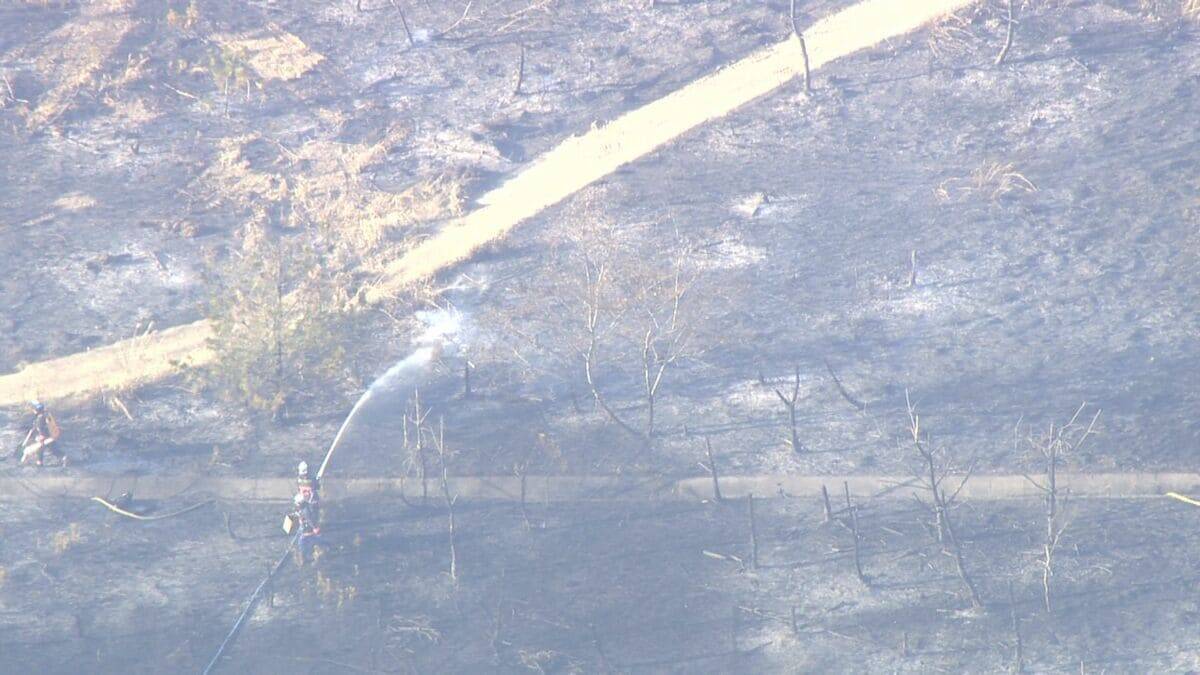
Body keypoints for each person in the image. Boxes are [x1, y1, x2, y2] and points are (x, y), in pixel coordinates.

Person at [18, 401, 65, 467]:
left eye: (33, 409)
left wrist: (40, 438)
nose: (33, 410)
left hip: (45, 439)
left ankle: (28, 464)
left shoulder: (40, 419)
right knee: (53, 450)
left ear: (36, 410)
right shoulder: (46, 416)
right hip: (51, 438)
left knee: (28, 451)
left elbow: (41, 431)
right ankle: (63, 458)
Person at [291, 493, 321, 566]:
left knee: (304, 542)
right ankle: (304, 558)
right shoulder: (304, 507)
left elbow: (309, 519)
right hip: (306, 528)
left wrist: (314, 528)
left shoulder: (305, 510)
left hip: (307, 529)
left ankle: (305, 558)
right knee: (305, 542)